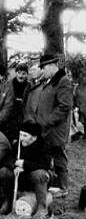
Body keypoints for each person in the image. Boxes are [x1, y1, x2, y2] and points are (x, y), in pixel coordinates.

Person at [35, 55, 73, 198]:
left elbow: (64, 106)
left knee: (59, 157)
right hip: (47, 129)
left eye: (43, 68)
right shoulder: (51, 81)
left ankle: (63, 187)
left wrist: (48, 121)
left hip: (56, 129)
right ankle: (54, 184)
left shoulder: (63, 82)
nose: (42, 71)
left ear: (52, 66)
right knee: (49, 156)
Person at [0, 122, 51, 219]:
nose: (21, 138)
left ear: (34, 137)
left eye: (25, 135)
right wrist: (14, 166)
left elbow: (45, 164)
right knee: (4, 171)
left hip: (36, 179)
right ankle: (8, 202)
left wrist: (24, 164)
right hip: (20, 177)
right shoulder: (18, 144)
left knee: (39, 174)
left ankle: (42, 208)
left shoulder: (43, 145)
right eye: (20, 134)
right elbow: (7, 159)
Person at [9, 63, 31, 141]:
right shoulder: (8, 85)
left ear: (27, 74)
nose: (21, 76)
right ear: (15, 73)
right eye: (19, 73)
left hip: (24, 118)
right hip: (10, 117)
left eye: (23, 73)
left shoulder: (30, 86)